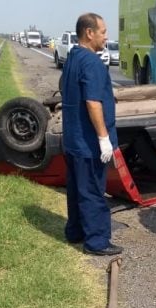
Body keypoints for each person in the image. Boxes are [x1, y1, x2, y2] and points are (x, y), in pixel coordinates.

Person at [60, 13, 122, 256]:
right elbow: (93, 102)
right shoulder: (93, 63)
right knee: (93, 192)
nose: (106, 37)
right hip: (88, 143)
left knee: (76, 189)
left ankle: (75, 231)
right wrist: (103, 139)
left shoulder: (73, 57)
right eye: (103, 32)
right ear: (89, 33)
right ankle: (97, 241)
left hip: (74, 140)